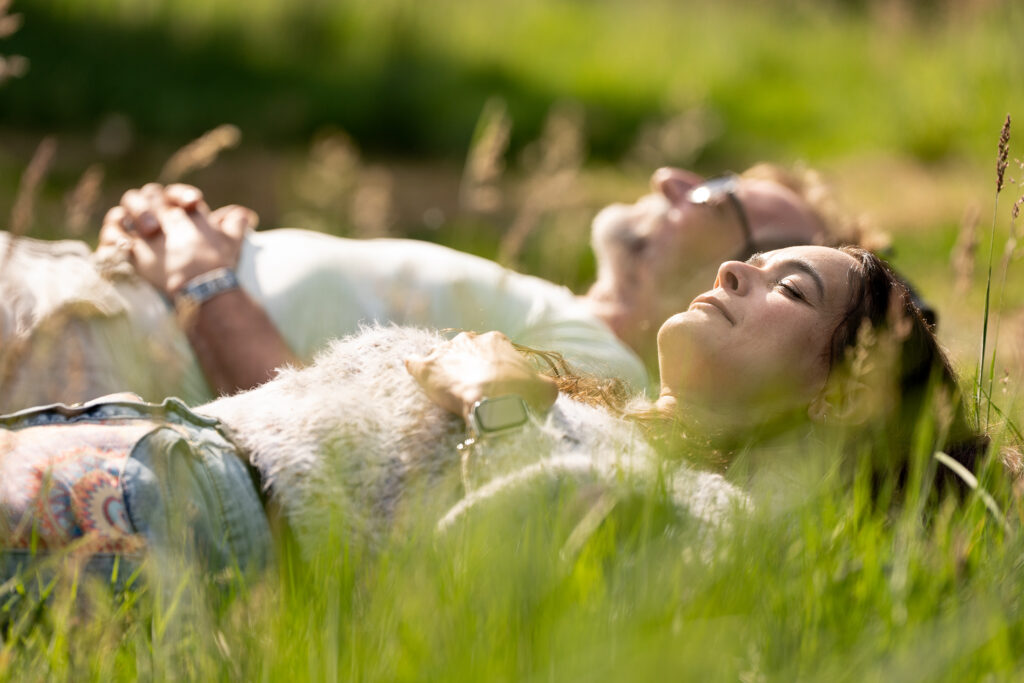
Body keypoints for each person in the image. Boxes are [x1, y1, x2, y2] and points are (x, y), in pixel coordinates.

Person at [0, 245, 982, 583]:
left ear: (839, 389)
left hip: (184, 519)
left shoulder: (713, 516)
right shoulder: (616, 417)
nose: (734, 271)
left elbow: (516, 582)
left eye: (790, 289)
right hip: (139, 447)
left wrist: (501, 404)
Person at [0, 164, 860, 411]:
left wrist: (202, 278)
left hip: (80, 348)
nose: (674, 178)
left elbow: (311, 419)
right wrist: (168, 231)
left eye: (719, 196)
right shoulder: (553, 314)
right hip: (69, 294)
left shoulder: (604, 377)